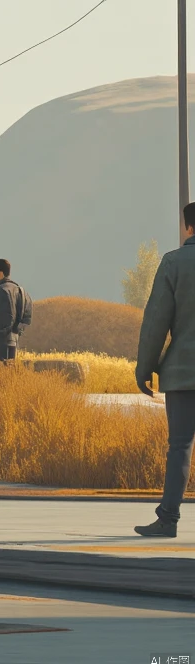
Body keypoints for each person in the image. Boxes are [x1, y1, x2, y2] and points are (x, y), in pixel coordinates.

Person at [134, 200, 195, 539]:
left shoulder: (173, 263)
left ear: (188, 227)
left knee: (181, 446)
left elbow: (156, 321)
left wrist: (145, 368)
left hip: (184, 375)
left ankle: (168, 519)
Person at [0, 257, 27, 362]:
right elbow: (28, 312)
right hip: (14, 337)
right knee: (10, 366)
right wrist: (19, 329)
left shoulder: (3, 290)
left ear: (0, 273)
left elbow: (5, 314)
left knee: (1, 367)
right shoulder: (19, 289)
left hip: (2, 338)